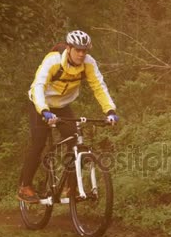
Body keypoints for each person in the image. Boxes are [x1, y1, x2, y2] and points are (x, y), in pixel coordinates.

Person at [17, 30, 118, 202]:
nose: (81, 54)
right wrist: (44, 110)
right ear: (69, 48)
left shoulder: (88, 64)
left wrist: (110, 111)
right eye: (78, 50)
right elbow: (38, 86)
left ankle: (70, 187)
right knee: (39, 142)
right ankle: (25, 186)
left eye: (84, 50)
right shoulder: (53, 60)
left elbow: (99, 87)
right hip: (40, 104)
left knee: (74, 140)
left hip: (62, 106)